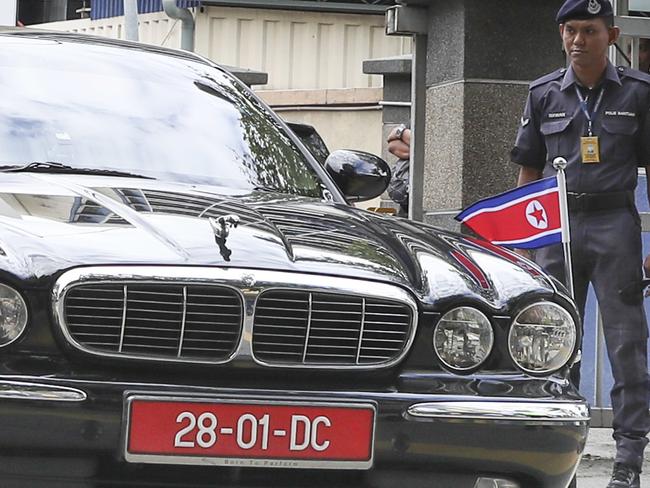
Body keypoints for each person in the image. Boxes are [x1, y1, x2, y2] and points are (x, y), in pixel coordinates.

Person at [510, 1, 650, 486]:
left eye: (588, 31)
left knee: (626, 345)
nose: (577, 40)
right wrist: (523, 249)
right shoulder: (544, 93)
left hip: (614, 226)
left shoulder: (638, 93)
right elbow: (528, 172)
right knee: (552, 341)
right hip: (559, 230)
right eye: (569, 30)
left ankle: (628, 463)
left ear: (611, 35)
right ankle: (554, 459)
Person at [386, 124, 411, 216]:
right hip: (408, 207)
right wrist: (403, 132)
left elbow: (426, 148)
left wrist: (402, 132)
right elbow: (392, 146)